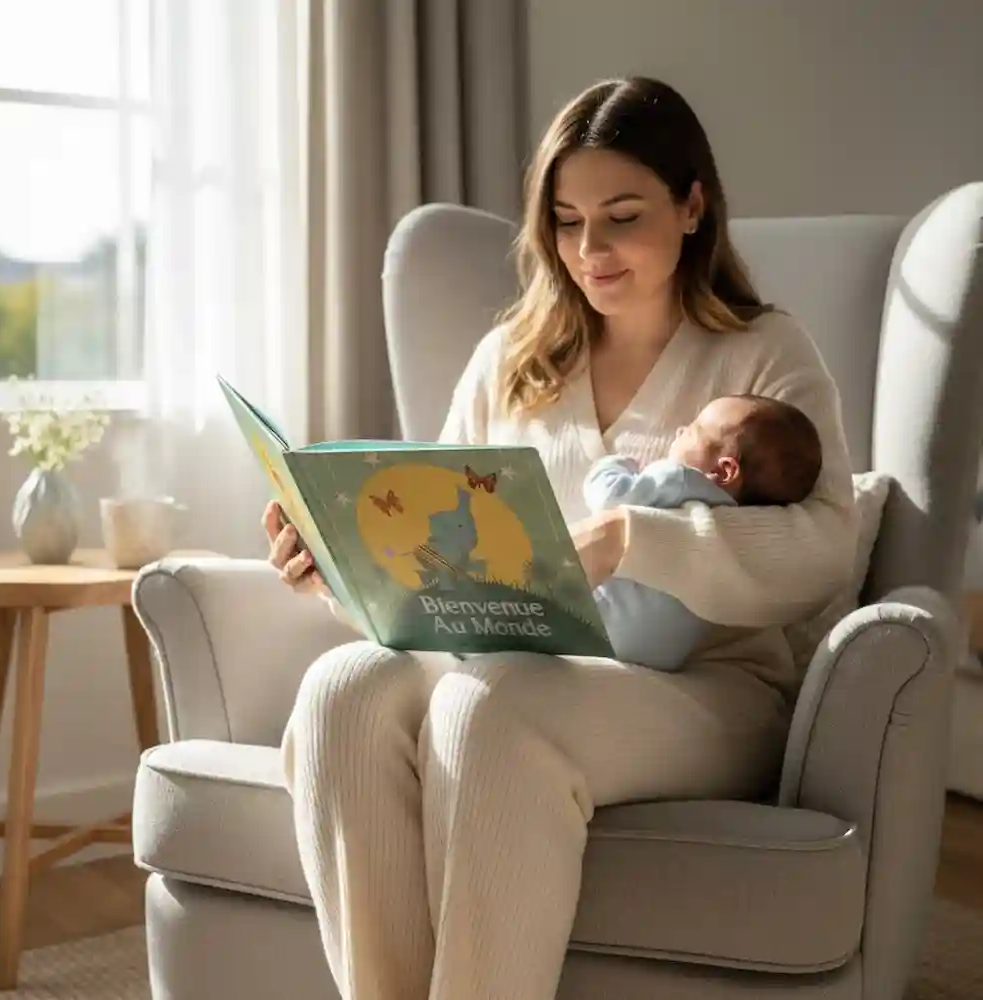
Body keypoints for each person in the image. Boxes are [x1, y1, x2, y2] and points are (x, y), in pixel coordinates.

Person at [266, 75, 857, 1000]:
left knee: (491, 705)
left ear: (692, 203)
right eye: (567, 221)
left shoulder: (764, 351)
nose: (591, 249)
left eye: (622, 216)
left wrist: (635, 537)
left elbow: (825, 552)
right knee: (344, 691)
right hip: (510, 656)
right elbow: (438, 571)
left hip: (709, 689)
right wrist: (337, 570)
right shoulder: (511, 357)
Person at [583, 394, 824, 670]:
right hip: (660, 656)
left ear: (723, 471)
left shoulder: (679, 480)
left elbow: (609, 498)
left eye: (694, 429)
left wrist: (614, 465)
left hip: (605, 622)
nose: (680, 431)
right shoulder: (734, 526)